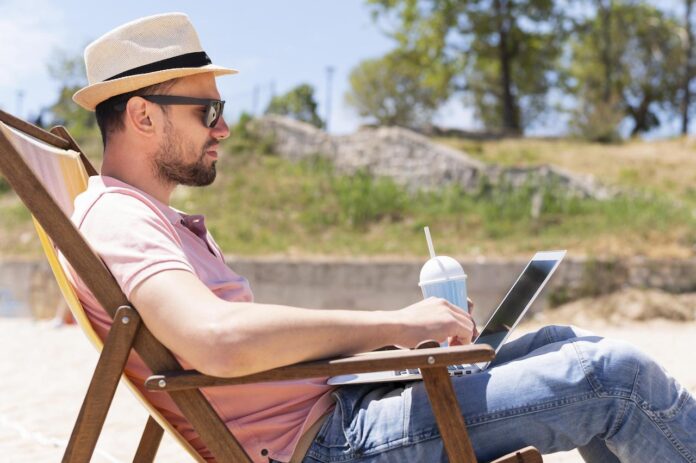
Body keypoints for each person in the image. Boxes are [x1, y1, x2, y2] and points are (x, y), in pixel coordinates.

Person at [61, 12, 696, 463]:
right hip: (332, 441)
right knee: (615, 378)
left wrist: (399, 341)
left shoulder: (150, 219)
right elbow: (218, 342)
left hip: (340, 409)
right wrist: (392, 325)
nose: (223, 129)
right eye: (209, 111)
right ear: (143, 115)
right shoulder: (121, 219)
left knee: (565, 342)